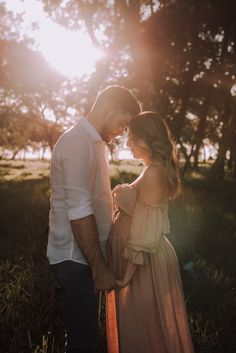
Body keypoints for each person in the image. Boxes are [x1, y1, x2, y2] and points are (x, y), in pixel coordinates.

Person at [47, 85, 141, 353]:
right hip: (75, 259)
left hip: (86, 257)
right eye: (123, 123)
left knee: (85, 335)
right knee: (83, 342)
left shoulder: (94, 143)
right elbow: (79, 211)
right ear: (107, 108)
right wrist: (99, 269)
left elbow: (92, 201)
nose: (123, 132)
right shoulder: (78, 142)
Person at [106, 111, 194, 353]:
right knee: (143, 328)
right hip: (139, 261)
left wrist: (126, 275)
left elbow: (144, 232)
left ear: (147, 138)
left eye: (132, 137)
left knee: (146, 330)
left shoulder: (155, 173)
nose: (128, 143)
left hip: (144, 263)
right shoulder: (150, 170)